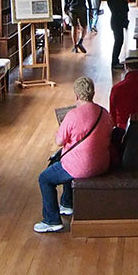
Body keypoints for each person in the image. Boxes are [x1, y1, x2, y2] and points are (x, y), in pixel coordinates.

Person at [35, 76, 111, 233]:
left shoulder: (72, 115)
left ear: (76, 95)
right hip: (103, 163)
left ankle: (51, 220)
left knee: (45, 178)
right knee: (66, 164)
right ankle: (67, 203)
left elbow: (59, 141)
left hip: (81, 166)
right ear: (93, 93)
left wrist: (61, 128)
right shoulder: (104, 113)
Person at [103, 0, 132, 67]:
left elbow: (126, 8)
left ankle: (116, 60)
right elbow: (116, 9)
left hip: (121, 21)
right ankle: (114, 62)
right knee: (118, 41)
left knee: (120, 41)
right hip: (116, 22)